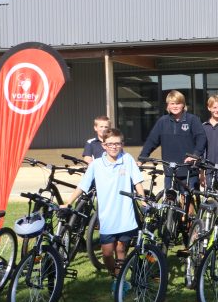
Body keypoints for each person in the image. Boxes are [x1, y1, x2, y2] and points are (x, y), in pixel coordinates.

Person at [67, 128, 145, 289]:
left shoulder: (128, 159)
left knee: (121, 248)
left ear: (122, 144)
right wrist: (68, 202)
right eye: (110, 144)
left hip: (125, 215)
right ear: (104, 145)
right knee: (107, 253)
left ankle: (121, 280)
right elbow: (83, 185)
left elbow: (137, 181)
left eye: (117, 144)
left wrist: (143, 200)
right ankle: (114, 274)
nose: (114, 147)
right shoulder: (96, 164)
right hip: (107, 216)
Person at [139, 90, 206, 190]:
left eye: (178, 103)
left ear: (183, 105)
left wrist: (195, 155)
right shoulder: (162, 121)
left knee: (188, 201)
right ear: (168, 106)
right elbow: (151, 141)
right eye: (172, 104)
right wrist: (142, 159)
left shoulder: (192, 120)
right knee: (170, 201)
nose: (175, 106)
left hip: (189, 169)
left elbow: (202, 139)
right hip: (170, 171)